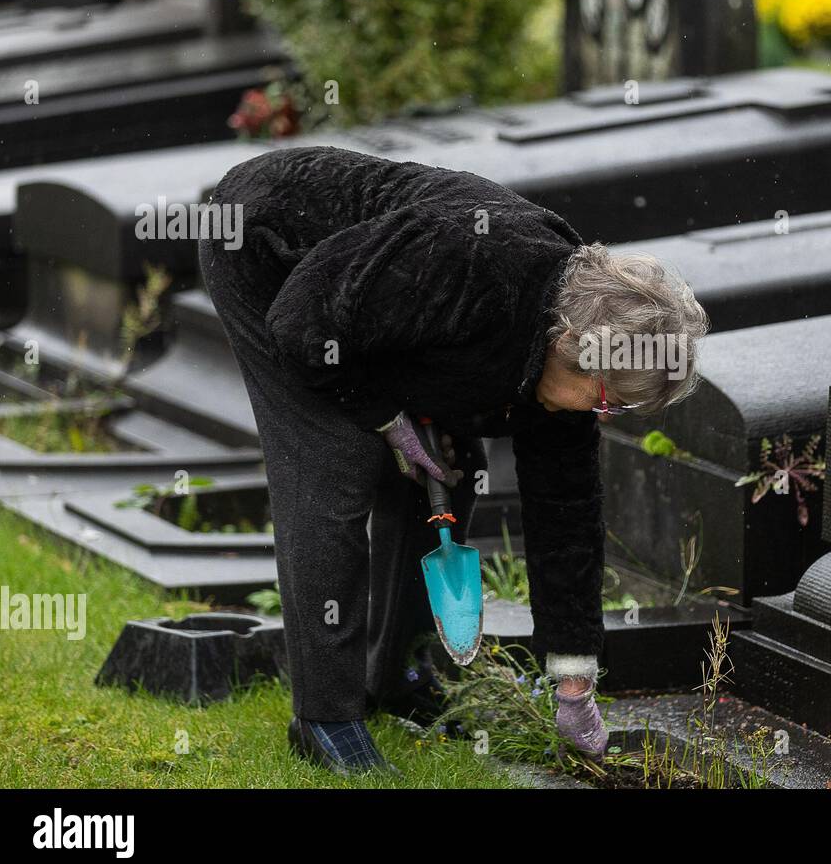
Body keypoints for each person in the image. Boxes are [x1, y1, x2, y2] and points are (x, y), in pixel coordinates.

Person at [201, 145, 709, 775]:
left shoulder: (572, 367)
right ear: (569, 346)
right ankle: (326, 716)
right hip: (268, 246)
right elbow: (304, 322)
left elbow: (567, 515)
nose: (604, 415)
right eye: (608, 399)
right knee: (338, 461)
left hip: (380, 314)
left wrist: (574, 677)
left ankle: (400, 675)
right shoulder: (472, 266)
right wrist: (386, 417)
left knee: (445, 471)